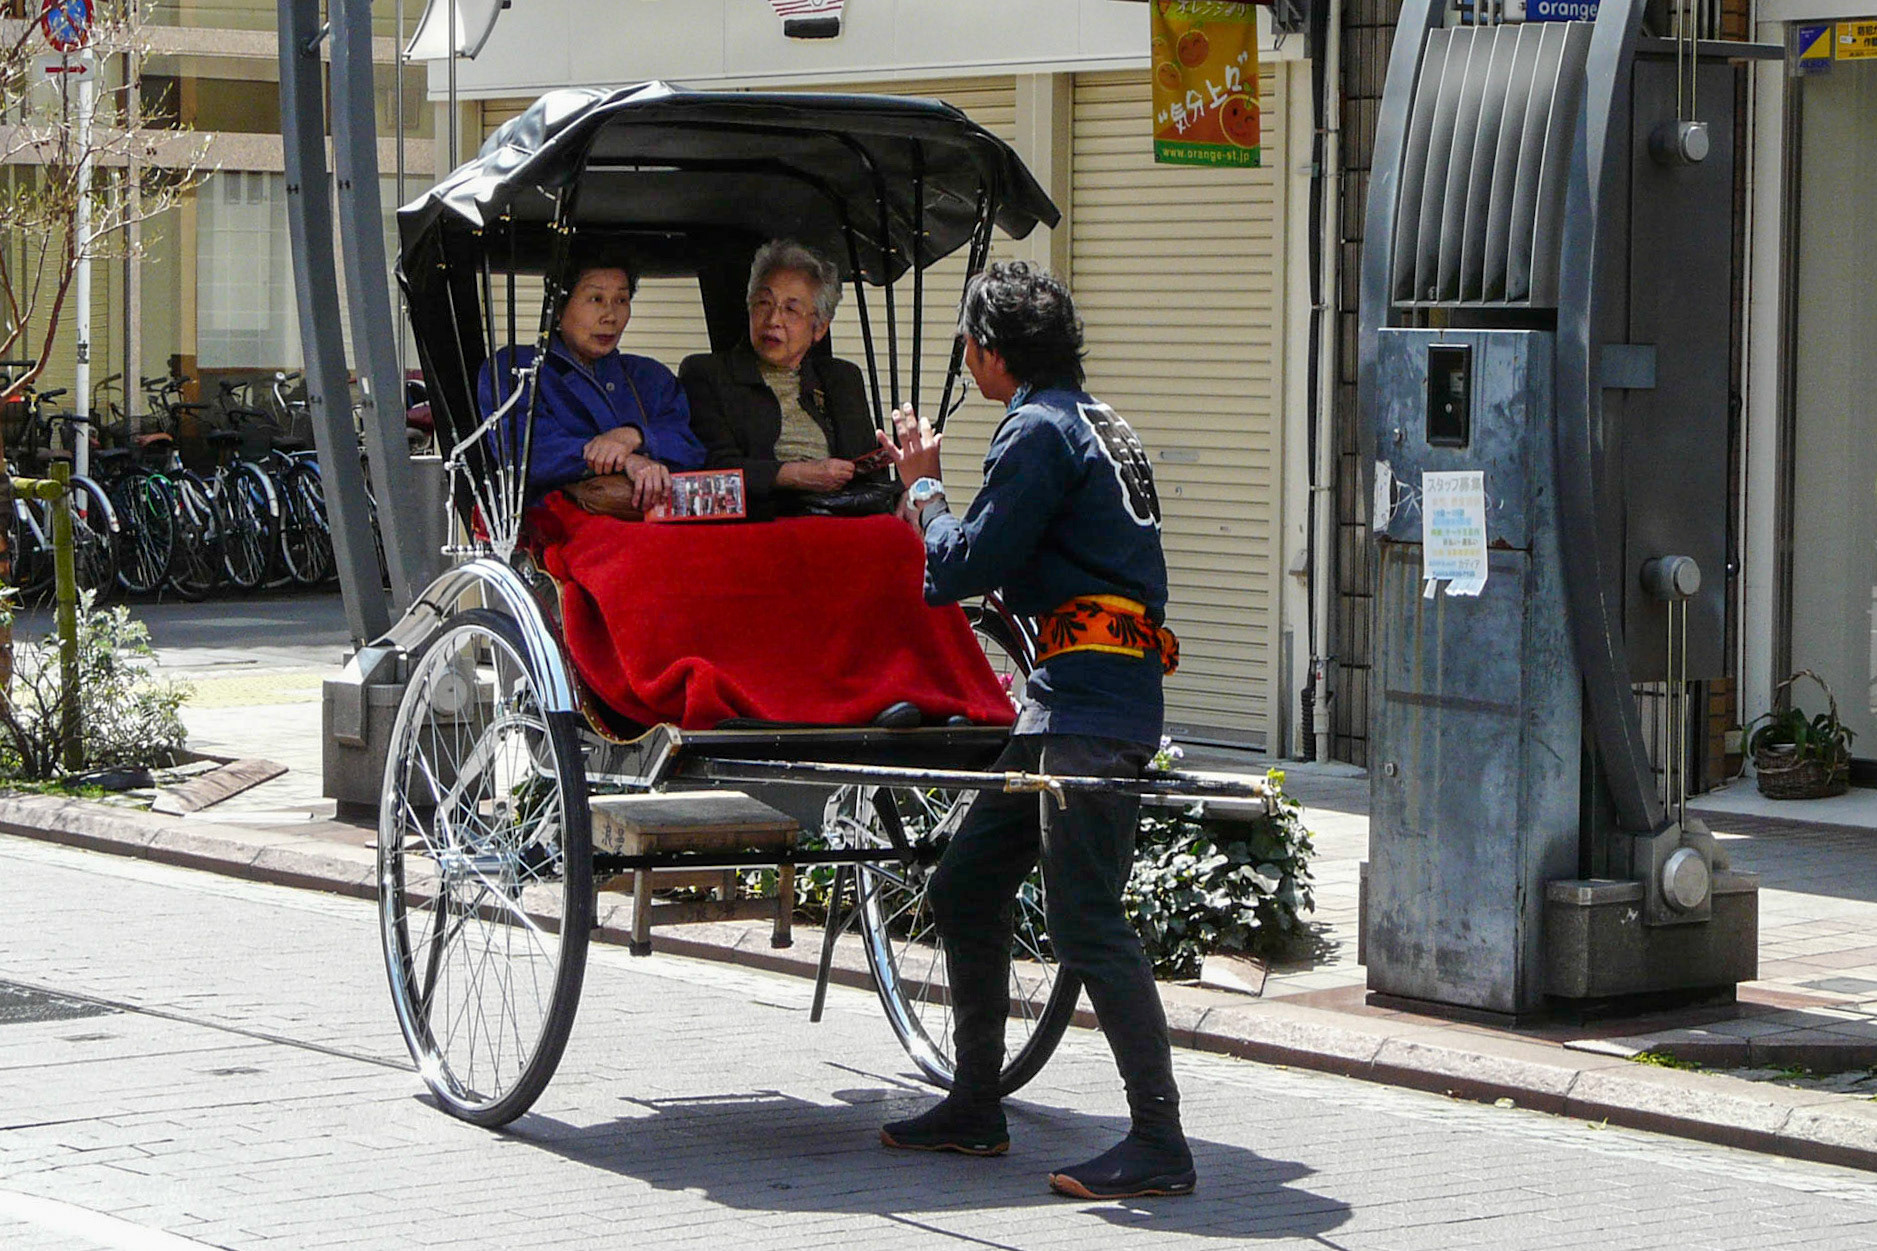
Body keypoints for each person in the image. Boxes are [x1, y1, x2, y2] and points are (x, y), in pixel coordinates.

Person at [874, 260, 1192, 1201]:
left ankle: (1159, 1140)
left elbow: (962, 569)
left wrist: (923, 489)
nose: (966, 358)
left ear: (989, 350)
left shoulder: (1036, 432)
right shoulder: (1098, 422)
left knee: (1087, 917)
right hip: (1074, 699)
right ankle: (975, 1103)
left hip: (1089, 711)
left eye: (969, 343)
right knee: (967, 884)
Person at [476, 254, 705, 512]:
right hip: (559, 525)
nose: (611, 316)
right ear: (559, 307)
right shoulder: (518, 368)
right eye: (596, 299)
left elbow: (691, 447)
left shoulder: (650, 376)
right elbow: (524, 451)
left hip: (654, 520)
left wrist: (635, 436)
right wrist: (620, 459)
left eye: (621, 300)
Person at [679, 240, 886, 518]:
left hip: (838, 517)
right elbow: (711, 469)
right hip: (759, 523)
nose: (773, 319)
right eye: (764, 303)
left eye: (791, 309)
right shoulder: (706, 373)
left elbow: (868, 476)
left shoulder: (841, 378)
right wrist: (793, 475)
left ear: (819, 327)